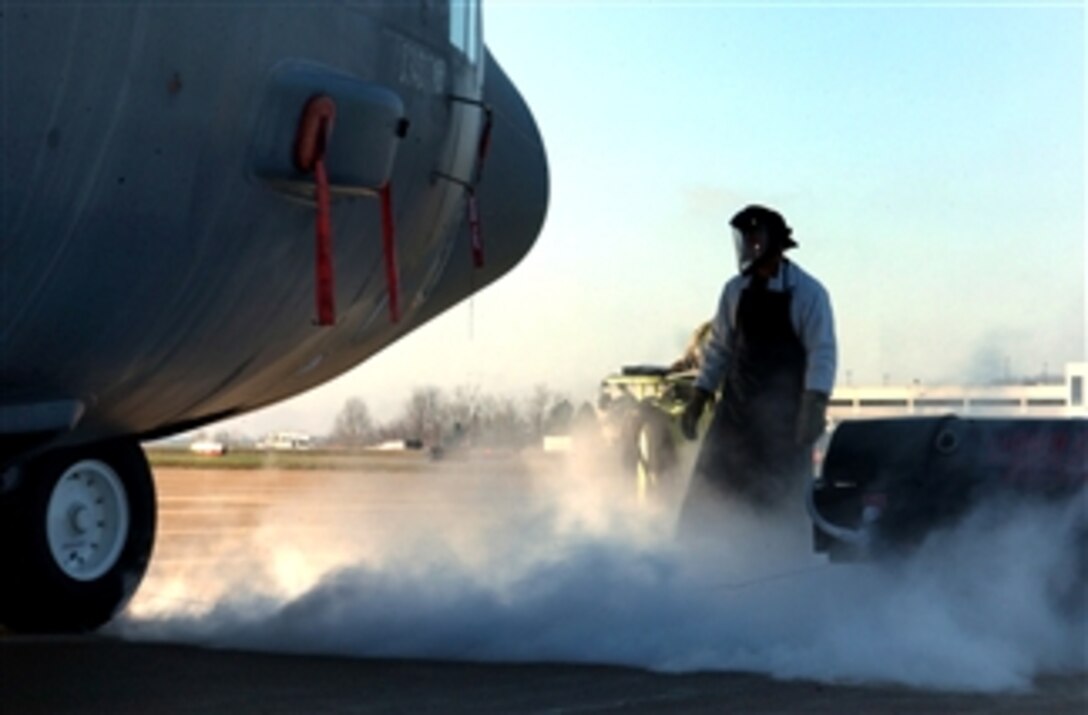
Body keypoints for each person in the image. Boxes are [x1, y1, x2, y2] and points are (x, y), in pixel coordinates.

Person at [678, 204, 836, 516]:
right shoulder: (734, 291)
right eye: (745, 239)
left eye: (755, 238)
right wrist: (700, 396)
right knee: (710, 500)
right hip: (735, 416)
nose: (749, 246)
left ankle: (780, 556)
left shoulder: (808, 293)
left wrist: (815, 403)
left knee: (781, 501)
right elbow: (719, 349)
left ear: (773, 242)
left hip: (785, 423)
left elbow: (822, 352)